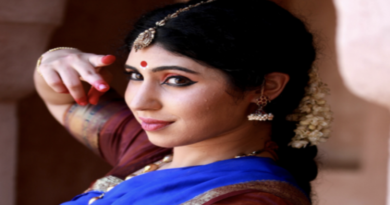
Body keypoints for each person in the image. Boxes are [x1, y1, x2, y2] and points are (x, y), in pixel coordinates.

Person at [34, 0, 332, 204]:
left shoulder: (252, 199)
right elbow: (64, 99)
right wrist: (57, 59)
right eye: (135, 75)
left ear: (265, 86)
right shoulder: (150, 152)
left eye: (176, 80)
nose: (140, 102)